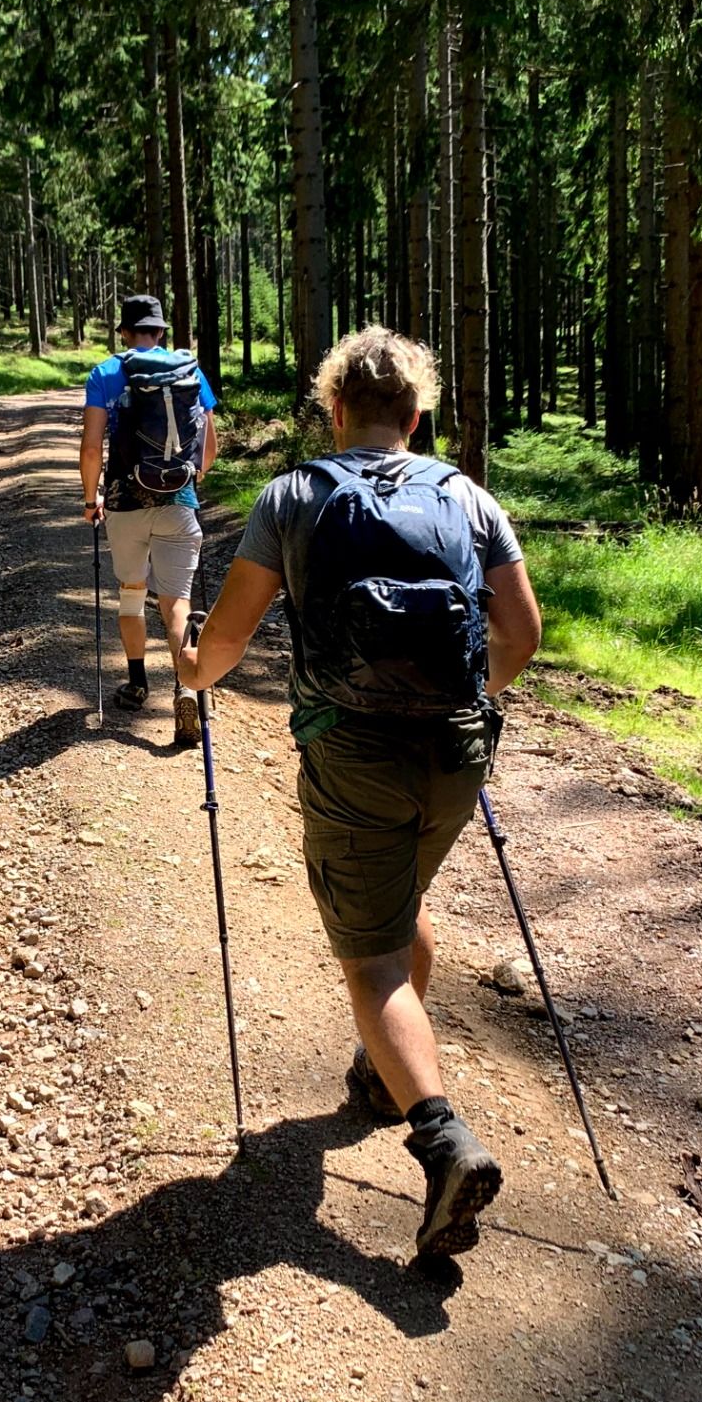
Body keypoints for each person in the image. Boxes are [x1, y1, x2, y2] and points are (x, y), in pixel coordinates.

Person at [177, 326, 542, 1268]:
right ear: (417, 416)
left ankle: (442, 1137)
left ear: (334, 410)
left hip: (352, 754)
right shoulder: (466, 494)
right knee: (401, 900)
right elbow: (522, 632)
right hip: (458, 752)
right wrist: (470, 698)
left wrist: (189, 669)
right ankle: (383, 1088)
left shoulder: (293, 496)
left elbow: (222, 646)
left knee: (371, 959)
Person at [81, 294, 220, 747]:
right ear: (160, 332)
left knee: (132, 592)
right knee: (176, 601)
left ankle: (138, 684)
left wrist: (91, 497)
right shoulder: (188, 371)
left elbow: (90, 446)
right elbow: (209, 449)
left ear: (124, 332)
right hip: (179, 500)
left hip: (124, 502)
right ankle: (185, 685)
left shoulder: (106, 373)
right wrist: (187, 482)